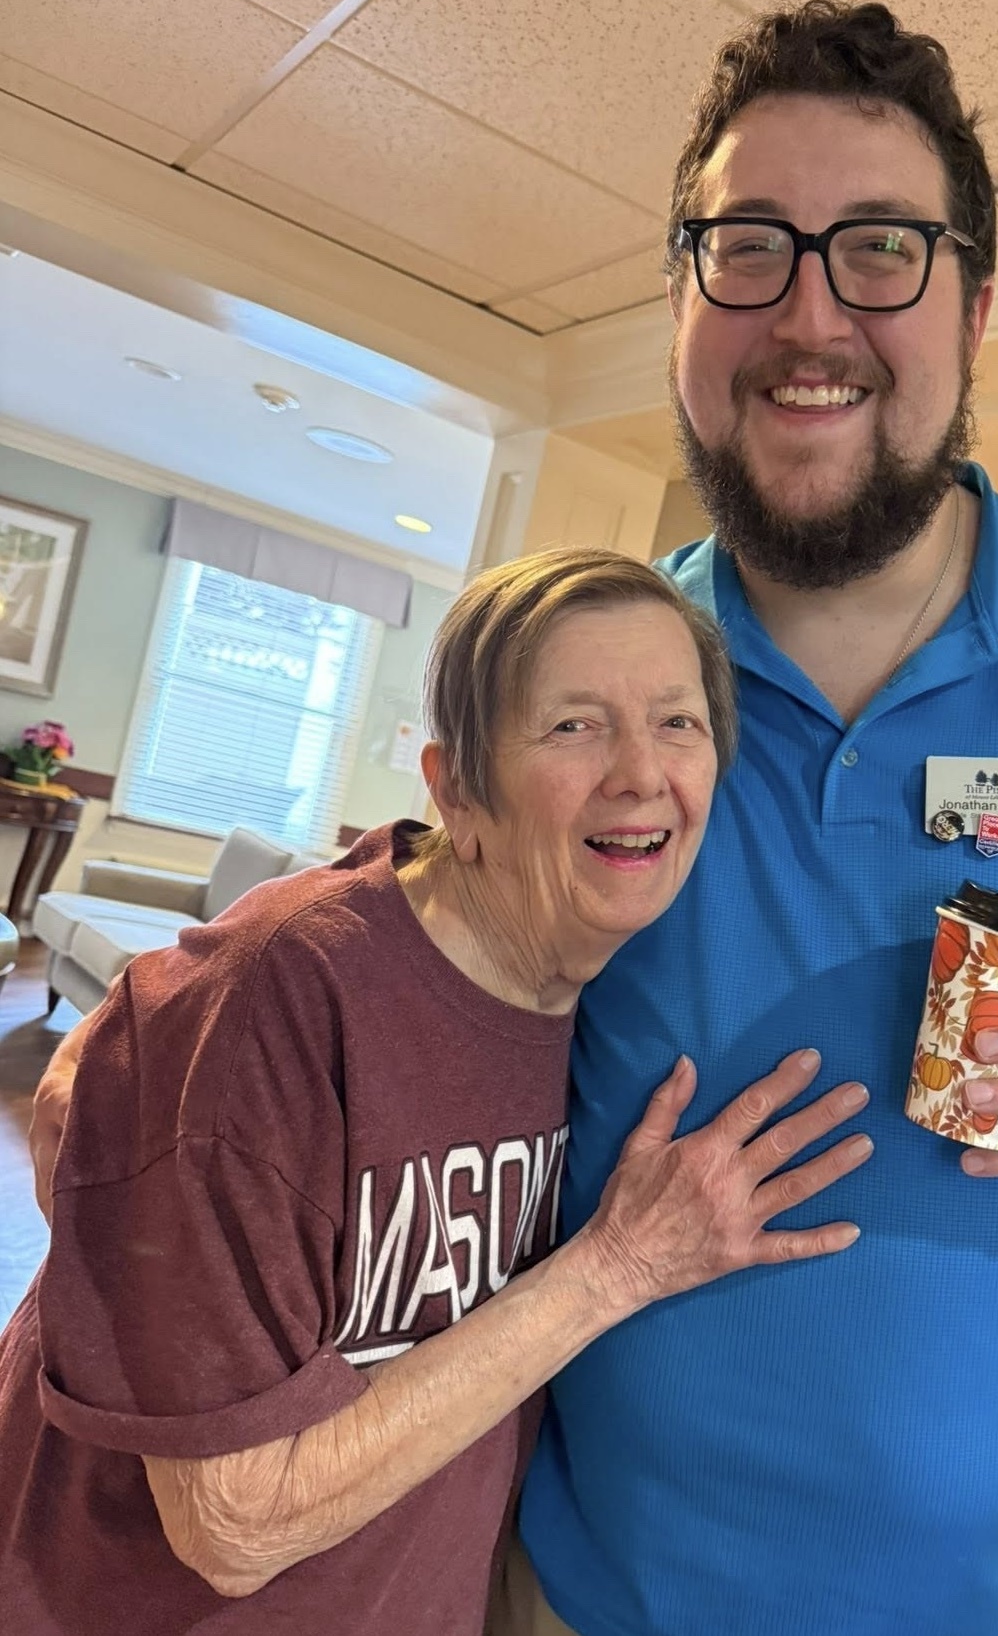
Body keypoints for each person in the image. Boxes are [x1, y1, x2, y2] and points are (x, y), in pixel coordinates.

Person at [28, 0, 998, 1636]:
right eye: (749, 248)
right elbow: (419, 896)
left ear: (977, 309)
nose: (812, 313)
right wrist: (164, 1031)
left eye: (883, 252)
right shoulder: (599, 670)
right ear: (683, 305)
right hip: (594, 1594)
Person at [0, 546, 872, 1635]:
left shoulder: (620, 986)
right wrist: (618, 1266)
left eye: (678, 722)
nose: (642, 773)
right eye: (575, 723)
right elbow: (233, 1524)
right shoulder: (283, 997)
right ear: (458, 785)